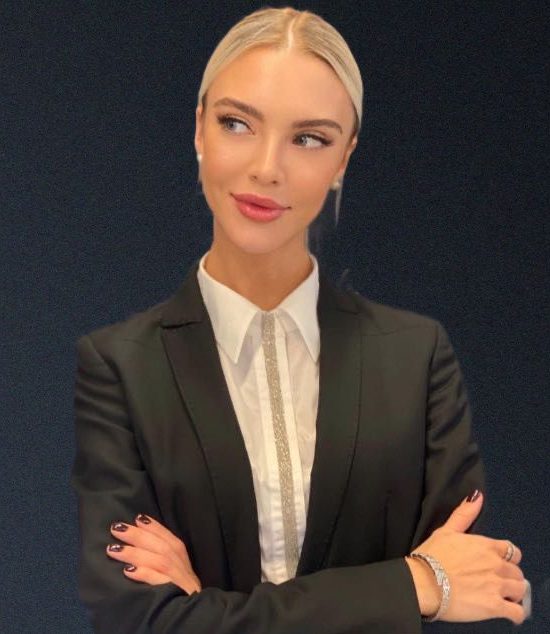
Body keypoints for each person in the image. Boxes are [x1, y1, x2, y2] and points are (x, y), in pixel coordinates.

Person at [71, 6, 529, 633]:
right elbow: (141, 622)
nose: (267, 167)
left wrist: (207, 608)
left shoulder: (416, 356)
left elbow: (484, 593)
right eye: (237, 123)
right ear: (199, 129)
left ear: (344, 159)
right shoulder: (119, 367)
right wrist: (414, 584)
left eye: (309, 138)